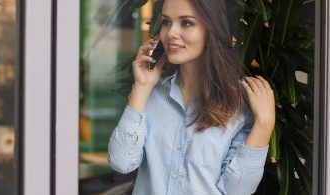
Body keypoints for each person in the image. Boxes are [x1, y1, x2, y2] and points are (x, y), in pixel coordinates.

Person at [108, 0, 275, 194]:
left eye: (186, 23)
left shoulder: (240, 106)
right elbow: (121, 162)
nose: (171, 33)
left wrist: (264, 124)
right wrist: (142, 87)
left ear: (211, 29)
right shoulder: (149, 94)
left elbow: (237, 191)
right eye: (166, 22)